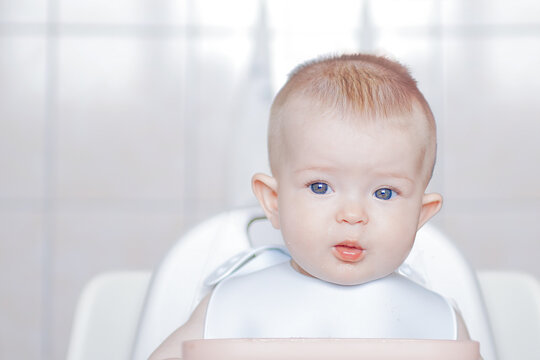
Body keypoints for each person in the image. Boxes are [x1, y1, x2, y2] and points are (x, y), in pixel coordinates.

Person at [149, 53, 472, 360]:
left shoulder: (437, 320)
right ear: (274, 202)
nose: (353, 215)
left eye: (384, 193)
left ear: (420, 214)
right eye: (320, 187)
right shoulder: (232, 305)